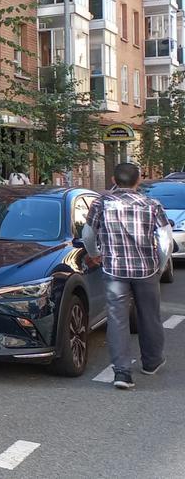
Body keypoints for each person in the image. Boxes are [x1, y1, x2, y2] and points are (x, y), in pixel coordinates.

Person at [84, 162, 171, 389]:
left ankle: (122, 373)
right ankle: (151, 363)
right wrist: (160, 266)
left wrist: (94, 254)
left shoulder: (101, 203)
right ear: (138, 180)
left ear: (113, 180)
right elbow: (165, 240)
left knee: (117, 319)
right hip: (146, 270)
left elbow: (88, 233)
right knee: (149, 316)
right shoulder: (152, 204)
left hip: (114, 270)